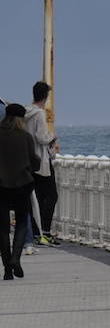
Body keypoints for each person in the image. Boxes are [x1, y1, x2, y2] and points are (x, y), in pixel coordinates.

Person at [0, 103, 42, 280]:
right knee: (22, 223)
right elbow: (35, 162)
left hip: (0, 187)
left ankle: (7, 269)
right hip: (22, 186)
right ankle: (16, 259)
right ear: (20, 119)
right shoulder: (25, 137)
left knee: (2, 228)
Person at [24, 81, 61, 246]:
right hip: (42, 162)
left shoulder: (25, 112)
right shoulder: (39, 113)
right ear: (45, 96)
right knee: (52, 196)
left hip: (30, 161)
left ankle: (37, 233)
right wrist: (51, 138)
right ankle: (45, 231)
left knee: (37, 199)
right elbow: (41, 136)